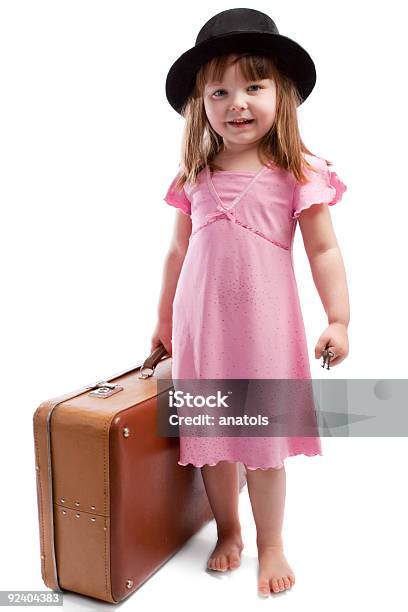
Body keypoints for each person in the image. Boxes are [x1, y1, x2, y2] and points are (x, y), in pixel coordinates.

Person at [151, 8, 350, 598]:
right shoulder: (194, 175)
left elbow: (324, 252)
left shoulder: (295, 171)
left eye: (254, 85)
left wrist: (338, 319)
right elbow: (175, 255)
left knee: (262, 449)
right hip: (201, 331)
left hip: (265, 332)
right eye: (220, 91)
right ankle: (229, 531)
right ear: (201, 104)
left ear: (281, 94)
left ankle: (272, 544)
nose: (237, 102)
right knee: (213, 442)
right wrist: (162, 326)